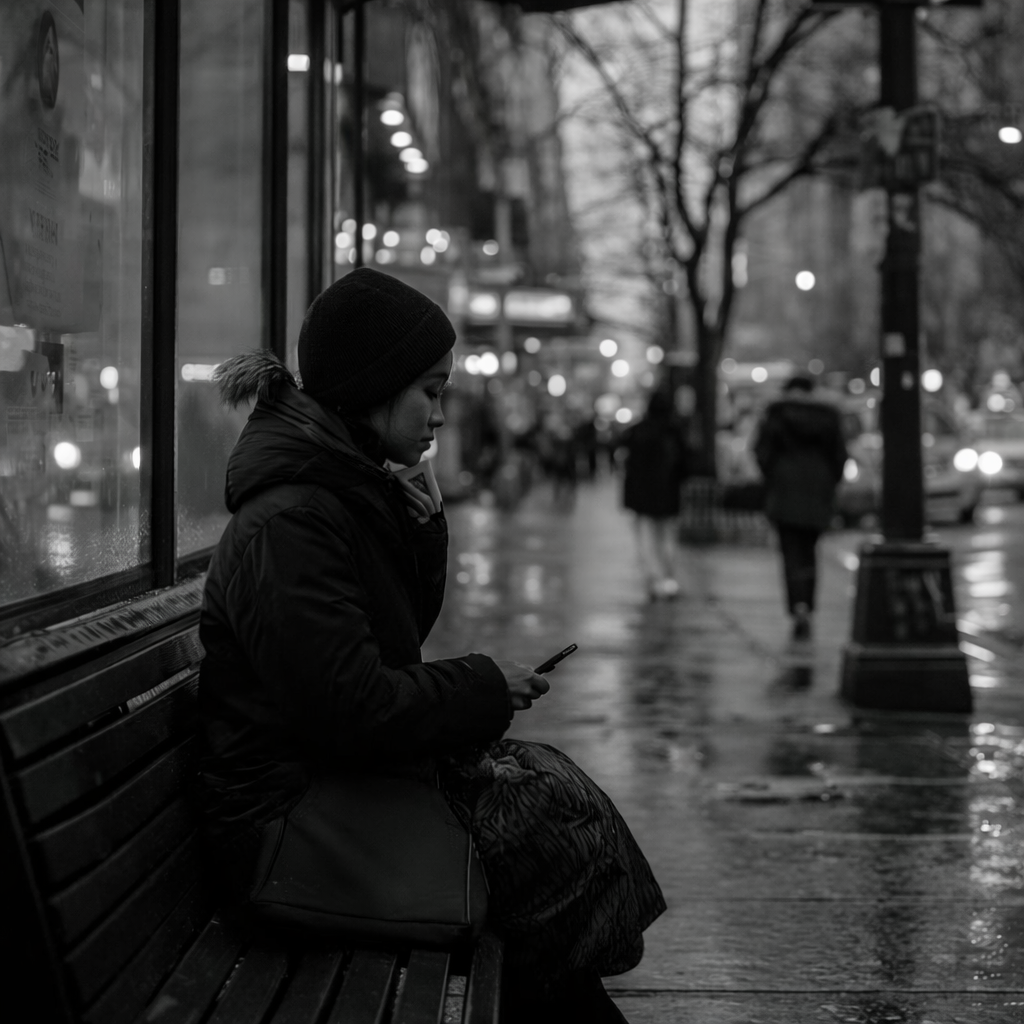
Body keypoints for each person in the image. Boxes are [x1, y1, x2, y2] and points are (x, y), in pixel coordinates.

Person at [195, 268, 664, 1024]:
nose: (440, 415)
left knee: (552, 813)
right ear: (373, 385)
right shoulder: (295, 521)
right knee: (545, 857)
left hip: (325, 792)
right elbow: (352, 706)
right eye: (430, 391)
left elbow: (389, 646)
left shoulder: (334, 495)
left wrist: (419, 521)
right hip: (286, 830)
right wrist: (483, 687)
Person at [754, 373, 847, 640]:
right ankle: (807, 602)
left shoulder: (777, 415)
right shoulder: (828, 417)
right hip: (818, 491)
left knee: (790, 551)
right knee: (809, 551)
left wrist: (773, 476)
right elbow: (839, 456)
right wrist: (829, 482)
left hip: (784, 491)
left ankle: (798, 606)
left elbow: (762, 452)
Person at [619, 388, 691, 599]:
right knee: (667, 537)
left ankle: (654, 579)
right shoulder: (674, 431)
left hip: (642, 495)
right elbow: (685, 463)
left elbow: (627, 461)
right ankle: (668, 579)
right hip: (668, 493)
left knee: (648, 538)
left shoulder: (638, 431)